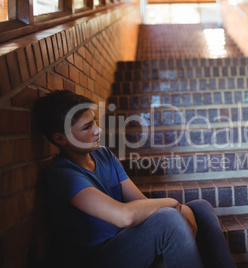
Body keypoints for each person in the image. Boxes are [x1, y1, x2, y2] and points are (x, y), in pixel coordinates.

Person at [33, 90, 236, 268]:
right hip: (96, 258)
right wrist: (175, 205)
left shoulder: (104, 155)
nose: (98, 130)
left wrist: (181, 209)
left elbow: (140, 204)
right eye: (87, 127)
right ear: (60, 138)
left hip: (125, 240)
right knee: (169, 218)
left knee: (200, 207)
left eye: (94, 121)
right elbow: (125, 216)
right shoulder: (63, 175)